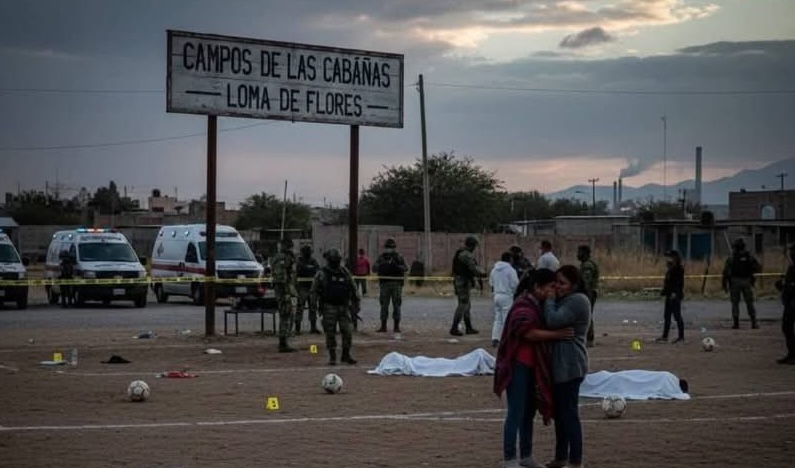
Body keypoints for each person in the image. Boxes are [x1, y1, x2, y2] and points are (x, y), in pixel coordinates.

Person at [493, 269, 574, 468]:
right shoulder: (523, 306)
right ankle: (510, 458)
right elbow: (527, 333)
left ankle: (526, 455)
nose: (553, 291)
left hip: (532, 367)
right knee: (516, 412)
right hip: (517, 366)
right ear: (538, 287)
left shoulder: (538, 305)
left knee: (528, 413)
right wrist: (558, 335)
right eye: (550, 287)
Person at [543, 265, 591, 468]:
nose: (558, 287)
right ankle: (561, 456)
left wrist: (549, 299)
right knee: (560, 415)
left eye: (562, 283)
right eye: (556, 283)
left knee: (569, 414)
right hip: (560, 367)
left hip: (570, 366)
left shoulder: (578, 301)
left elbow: (553, 320)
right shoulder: (567, 300)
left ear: (574, 284)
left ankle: (575, 460)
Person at [311, 248, 360, 366]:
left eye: (337, 259)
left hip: (344, 307)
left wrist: (356, 304)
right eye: (333, 260)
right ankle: (332, 356)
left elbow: (353, 288)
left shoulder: (344, 272)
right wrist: (314, 305)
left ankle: (345, 355)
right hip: (329, 306)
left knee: (347, 331)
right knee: (330, 332)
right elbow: (314, 290)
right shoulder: (322, 273)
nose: (336, 262)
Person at [722, 238, 762, 329]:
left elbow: (725, 272)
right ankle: (754, 322)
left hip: (735, 282)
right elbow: (758, 268)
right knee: (749, 302)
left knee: (735, 303)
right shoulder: (749, 256)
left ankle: (736, 323)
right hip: (747, 281)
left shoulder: (731, 258)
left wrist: (725, 285)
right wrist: (751, 273)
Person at [451, 235, 486, 336]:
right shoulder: (465, 255)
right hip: (463, 282)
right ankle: (454, 327)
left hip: (462, 281)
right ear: (472, 245)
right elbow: (473, 268)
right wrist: (482, 273)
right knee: (463, 304)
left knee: (467, 305)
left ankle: (468, 327)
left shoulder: (462, 253)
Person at [374, 238, 407, 333]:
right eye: (387, 247)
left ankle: (396, 327)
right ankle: (383, 326)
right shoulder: (382, 257)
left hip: (396, 284)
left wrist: (396, 266)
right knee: (384, 305)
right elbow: (374, 268)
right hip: (384, 284)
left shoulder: (399, 257)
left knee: (396, 305)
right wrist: (382, 265)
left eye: (391, 247)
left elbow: (406, 268)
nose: (389, 249)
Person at [271, 238, 298, 353]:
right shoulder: (282, 258)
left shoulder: (286, 257)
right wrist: (286, 292)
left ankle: (285, 340)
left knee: (288, 315)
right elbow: (281, 278)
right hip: (284, 291)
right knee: (286, 315)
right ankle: (283, 342)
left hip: (286, 290)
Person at [490, 251, 520, 348]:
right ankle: (505, 340)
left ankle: (495, 338)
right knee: (506, 319)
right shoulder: (510, 270)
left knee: (497, 318)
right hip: (506, 296)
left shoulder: (494, 269)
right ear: (510, 259)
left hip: (496, 295)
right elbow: (515, 284)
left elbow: (491, 283)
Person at [656, 250, 685, 344]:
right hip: (669, 295)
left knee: (677, 316)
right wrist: (664, 291)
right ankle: (665, 336)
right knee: (667, 316)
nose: (667, 259)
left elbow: (679, 283)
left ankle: (681, 336)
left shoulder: (678, 269)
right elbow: (668, 282)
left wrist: (675, 293)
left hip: (675, 296)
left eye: (670, 257)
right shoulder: (670, 269)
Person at [774, 243, 795, 364]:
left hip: (793, 302)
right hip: (789, 301)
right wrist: (782, 286)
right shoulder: (791, 267)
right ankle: (791, 353)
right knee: (787, 328)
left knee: (788, 327)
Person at [295, 244, 322, 335]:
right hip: (302, 287)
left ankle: (313, 327)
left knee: (313, 307)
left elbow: (317, 271)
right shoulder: (299, 260)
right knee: (300, 308)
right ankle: (297, 328)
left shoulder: (313, 260)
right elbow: (301, 270)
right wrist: (309, 269)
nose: (308, 253)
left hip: (312, 287)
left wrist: (308, 269)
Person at [577, 245, 599, 348]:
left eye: (579, 252)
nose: (577, 254)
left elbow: (586, 282)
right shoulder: (585, 264)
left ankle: (589, 339)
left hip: (588, 292)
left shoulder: (587, 266)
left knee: (587, 315)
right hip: (588, 292)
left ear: (585, 253)